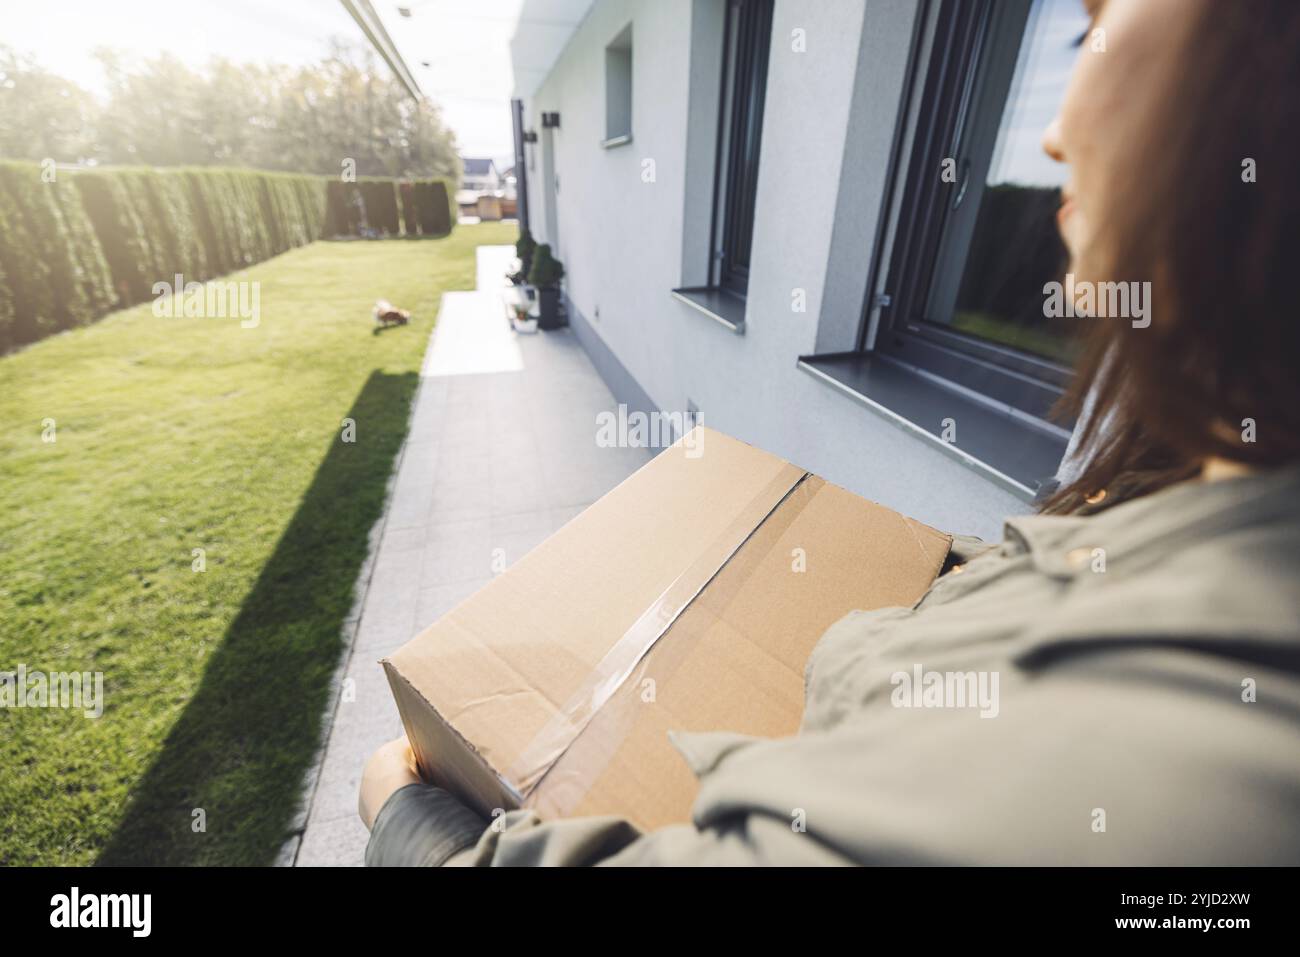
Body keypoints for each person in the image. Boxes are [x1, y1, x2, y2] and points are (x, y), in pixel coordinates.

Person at [358, 0, 1300, 865]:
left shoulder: (1171, 763)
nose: (1051, 133)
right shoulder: (1201, 493)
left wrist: (407, 815)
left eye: (1085, 26)